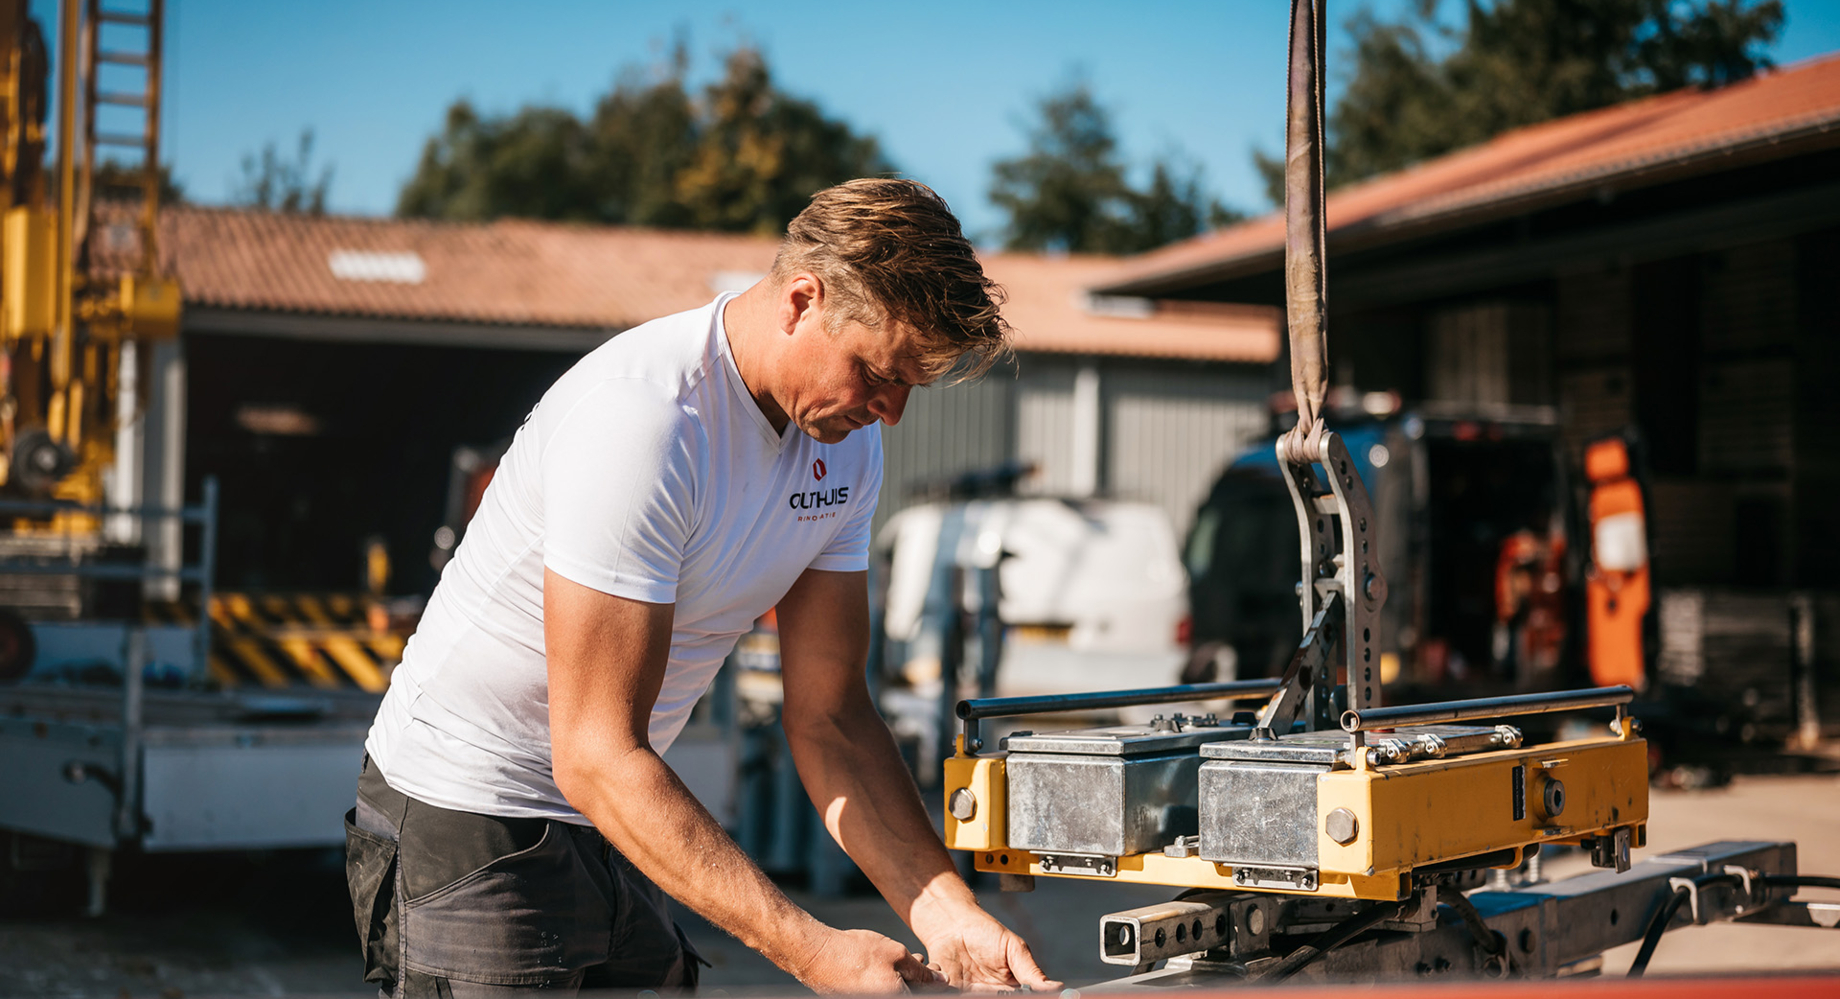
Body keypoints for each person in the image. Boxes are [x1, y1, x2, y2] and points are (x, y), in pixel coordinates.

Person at [345, 179, 1059, 996]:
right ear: (802, 300)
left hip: (618, 805)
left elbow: (830, 715)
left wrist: (949, 913)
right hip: (471, 807)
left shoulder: (847, 443)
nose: (890, 410)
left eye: (909, 386)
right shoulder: (645, 422)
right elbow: (596, 753)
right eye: (874, 371)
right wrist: (812, 950)